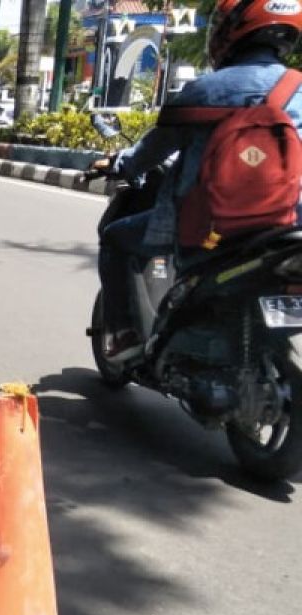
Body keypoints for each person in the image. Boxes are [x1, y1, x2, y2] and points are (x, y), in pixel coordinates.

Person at [94, 0, 302, 360]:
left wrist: (121, 165)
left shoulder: (204, 90)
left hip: (210, 228)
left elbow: (151, 153)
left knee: (115, 238)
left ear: (230, 30)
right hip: (289, 226)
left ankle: (126, 334)